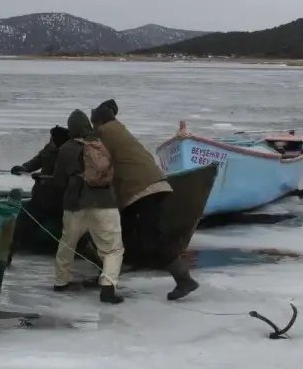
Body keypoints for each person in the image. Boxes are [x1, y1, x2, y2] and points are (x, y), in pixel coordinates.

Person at [91, 98, 199, 300]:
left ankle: (184, 279)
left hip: (141, 190)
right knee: (123, 231)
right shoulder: (119, 129)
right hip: (156, 183)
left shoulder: (103, 133)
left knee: (150, 238)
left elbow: (98, 164)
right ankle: (108, 276)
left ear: (97, 122)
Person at [50, 109, 125, 304]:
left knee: (67, 243)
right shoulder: (101, 144)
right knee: (112, 249)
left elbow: (58, 181)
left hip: (74, 204)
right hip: (104, 202)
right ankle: (108, 286)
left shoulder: (65, 148)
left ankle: (60, 282)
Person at [11, 124, 69, 216]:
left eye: (52, 139)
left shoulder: (67, 155)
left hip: (57, 199)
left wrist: (42, 177)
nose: (50, 141)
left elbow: (61, 178)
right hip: (40, 194)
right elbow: (37, 160)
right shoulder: (48, 150)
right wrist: (24, 168)